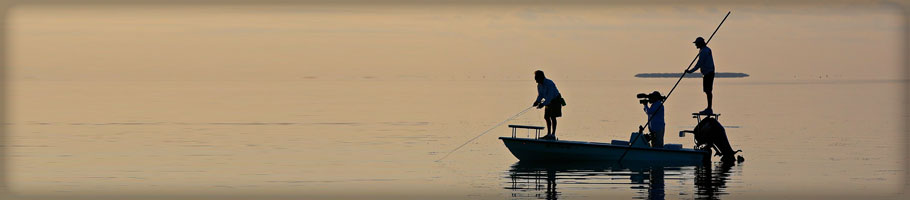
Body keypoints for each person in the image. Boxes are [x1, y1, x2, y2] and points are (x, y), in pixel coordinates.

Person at [686, 37, 715, 114]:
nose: (695, 45)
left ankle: (709, 109)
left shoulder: (704, 51)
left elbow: (699, 64)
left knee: (708, 91)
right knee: (707, 91)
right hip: (708, 72)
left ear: (700, 43)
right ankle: (709, 108)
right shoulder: (705, 50)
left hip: (708, 73)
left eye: (696, 44)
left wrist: (690, 71)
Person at [532, 70, 565, 140]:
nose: (536, 81)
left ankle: (553, 135)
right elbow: (540, 95)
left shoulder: (549, 83)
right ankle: (548, 134)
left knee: (553, 117)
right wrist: (537, 101)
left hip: (555, 100)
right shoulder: (539, 85)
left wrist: (542, 104)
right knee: (546, 117)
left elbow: (550, 96)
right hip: (548, 101)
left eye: (536, 79)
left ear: (541, 77)